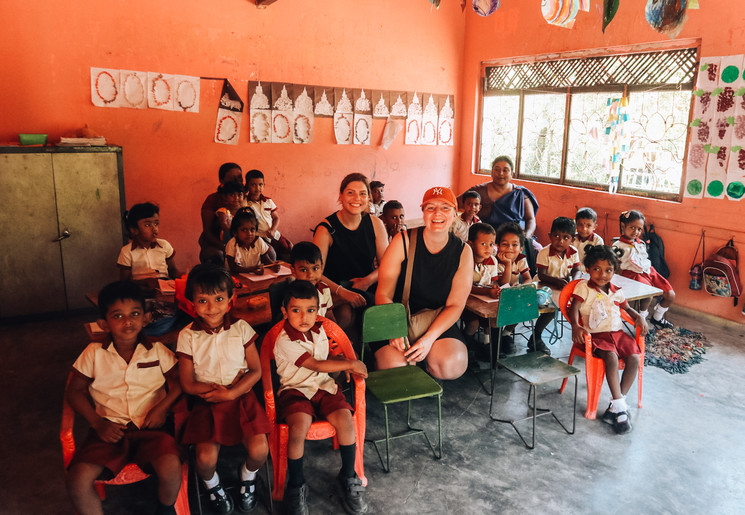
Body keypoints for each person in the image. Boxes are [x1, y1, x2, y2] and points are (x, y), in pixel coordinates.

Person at [65, 281, 183, 515]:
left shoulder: (157, 350)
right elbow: (74, 391)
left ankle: (165, 509)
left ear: (146, 318)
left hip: (152, 428)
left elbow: (180, 382)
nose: (128, 321)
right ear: (103, 323)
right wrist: (97, 422)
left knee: (171, 467)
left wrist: (162, 408)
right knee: (76, 480)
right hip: (108, 430)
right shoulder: (93, 353)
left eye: (135, 314)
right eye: (118, 315)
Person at [176, 264, 270, 514]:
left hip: (241, 397)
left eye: (219, 299)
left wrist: (231, 392)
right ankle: (213, 486)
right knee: (204, 461)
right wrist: (216, 392)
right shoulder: (187, 336)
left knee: (260, 451)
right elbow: (187, 383)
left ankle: (247, 477)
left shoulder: (241, 329)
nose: (212, 307)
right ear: (191, 304)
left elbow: (256, 370)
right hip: (207, 402)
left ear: (231, 300)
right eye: (202, 300)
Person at [273, 280, 368, 515]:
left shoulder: (320, 331)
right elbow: (314, 363)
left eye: (311, 310)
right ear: (285, 312)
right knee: (299, 428)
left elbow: (325, 361)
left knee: (346, 420)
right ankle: (296, 485)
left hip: (323, 386)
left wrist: (339, 363)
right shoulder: (285, 340)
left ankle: (347, 475)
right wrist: (350, 362)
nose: (304, 317)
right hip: (295, 390)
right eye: (296, 310)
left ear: (319, 311)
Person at [375, 186, 473, 380]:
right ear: (423, 213)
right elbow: (383, 294)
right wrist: (395, 330)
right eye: (430, 208)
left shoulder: (463, 252)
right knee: (398, 369)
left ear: (455, 213)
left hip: (436, 319)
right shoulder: (403, 241)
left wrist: (429, 339)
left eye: (445, 208)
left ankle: (427, 359)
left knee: (452, 365)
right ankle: (409, 360)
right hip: (397, 317)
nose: (437, 213)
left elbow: (455, 305)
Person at [567, 245, 648, 434]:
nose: (602, 274)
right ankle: (619, 408)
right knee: (610, 358)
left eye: (609, 270)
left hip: (617, 334)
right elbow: (575, 308)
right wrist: (575, 325)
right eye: (597, 269)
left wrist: (640, 316)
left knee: (634, 358)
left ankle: (617, 405)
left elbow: (628, 310)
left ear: (614, 271)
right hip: (596, 336)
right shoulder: (583, 287)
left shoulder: (616, 290)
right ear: (588, 269)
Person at [313, 173, 388, 331]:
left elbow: (387, 266)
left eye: (362, 193)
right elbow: (315, 272)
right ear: (340, 196)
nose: (356, 198)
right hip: (335, 290)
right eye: (350, 192)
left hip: (368, 286)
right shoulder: (326, 229)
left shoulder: (376, 224)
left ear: (368, 198)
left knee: (384, 311)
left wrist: (366, 281)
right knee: (345, 317)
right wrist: (343, 292)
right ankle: (344, 352)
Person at [458, 156, 540, 272]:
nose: (500, 173)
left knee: (538, 249)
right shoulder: (480, 191)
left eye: (505, 170)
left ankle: (530, 281)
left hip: (517, 236)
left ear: (512, 173)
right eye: (496, 169)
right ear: (491, 172)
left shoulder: (520, 194)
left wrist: (526, 236)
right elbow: (455, 203)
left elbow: (531, 219)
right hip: (489, 237)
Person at [612, 210, 676, 330]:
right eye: (632, 227)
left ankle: (657, 318)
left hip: (649, 272)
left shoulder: (641, 243)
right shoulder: (618, 246)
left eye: (639, 229)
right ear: (623, 226)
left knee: (670, 295)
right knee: (648, 292)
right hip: (631, 274)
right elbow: (615, 267)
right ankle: (641, 318)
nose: (636, 232)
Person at [532, 216, 582, 355]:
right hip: (544, 287)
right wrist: (557, 281)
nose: (560, 241)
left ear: (572, 239)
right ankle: (536, 336)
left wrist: (574, 281)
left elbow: (577, 270)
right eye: (556, 236)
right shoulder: (544, 252)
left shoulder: (573, 252)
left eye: (566, 237)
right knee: (553, 308)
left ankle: (583, 335)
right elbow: (541, 275)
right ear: (549, 236)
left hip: (563, 288)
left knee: (581, 303)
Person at [461, 223, 499, 363]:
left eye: (491, 244)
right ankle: (467, 347)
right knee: (473, 324)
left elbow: (493, 282)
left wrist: (494, 289)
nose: (488, 248)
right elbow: (465, 286)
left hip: (483, 302)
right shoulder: (464, 259)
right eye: (483, 243)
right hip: (463, 302)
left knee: (494, 320)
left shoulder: (492, 261)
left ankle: (487, 347)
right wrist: (487, 291)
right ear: (470, 244)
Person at [492, 222, 532, 355]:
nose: (509, 248)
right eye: (505, 244)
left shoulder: (521, 259)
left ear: (521, 248)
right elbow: (503, 283)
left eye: (514, 244)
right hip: (496, 296)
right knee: (496, 317)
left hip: (512, 295)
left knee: (523, 308)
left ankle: (506, 334)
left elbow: (528, 278)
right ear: (497, 246)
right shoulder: (494, 260)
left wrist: (522, 286)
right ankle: (493, 340)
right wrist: (508, 265)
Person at [118, 202, 179, 281]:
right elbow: (124, 282)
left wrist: (185, 276)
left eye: (156, 224)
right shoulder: (127, 252)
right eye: (147, 225)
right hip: (140, 291)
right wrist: (145, 282)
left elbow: (173, 271)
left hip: (164, 288)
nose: (154, 229)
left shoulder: (164, 245)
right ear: (134, 230)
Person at [199, 162, 244, 264]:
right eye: (233, 178)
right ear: (221, 180)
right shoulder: (213, 199)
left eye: (239, 178)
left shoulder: (243, 197)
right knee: (216, 256)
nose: (237, 181)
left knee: (269, 252)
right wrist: (226, 248)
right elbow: (207, 232)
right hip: (216, 243)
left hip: (242, 242)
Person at [245, 169, 293, 261]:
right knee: (271, 254)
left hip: (273, 234)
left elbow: (276, 218)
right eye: (253, 185)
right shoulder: (245, 203)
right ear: (247, 186)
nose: (257, 188)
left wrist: (273, 230)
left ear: (264, 185)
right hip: (259, 237)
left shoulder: (268, 201)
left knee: (288, 248)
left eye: (260, 184)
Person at [289, 241, 335, 320]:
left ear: (321, 267)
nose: (310, 275)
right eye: (303, 270)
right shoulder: (292, 293)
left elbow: (329, 316)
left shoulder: (325, 289)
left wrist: (336, 331)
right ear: (293, 270)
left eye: (315, 268)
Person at [225, 208, 274, 275]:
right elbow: (233, 267)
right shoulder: (232, 244)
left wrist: (273, 266)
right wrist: (251, 270)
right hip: (236, 277)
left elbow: (265, 259)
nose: (249, 233)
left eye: (252, 229)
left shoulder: (258, 241)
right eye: (244, 230)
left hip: (254, 277)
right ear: (235, 232)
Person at [573, 207, 604, 272]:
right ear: (576, 224)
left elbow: (597, 261)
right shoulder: (572, 238)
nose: (584, 229)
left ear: (595, 227)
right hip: (572, 271)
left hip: (589, 272)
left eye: (588, 225)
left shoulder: (597, 241)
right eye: (580, 225)